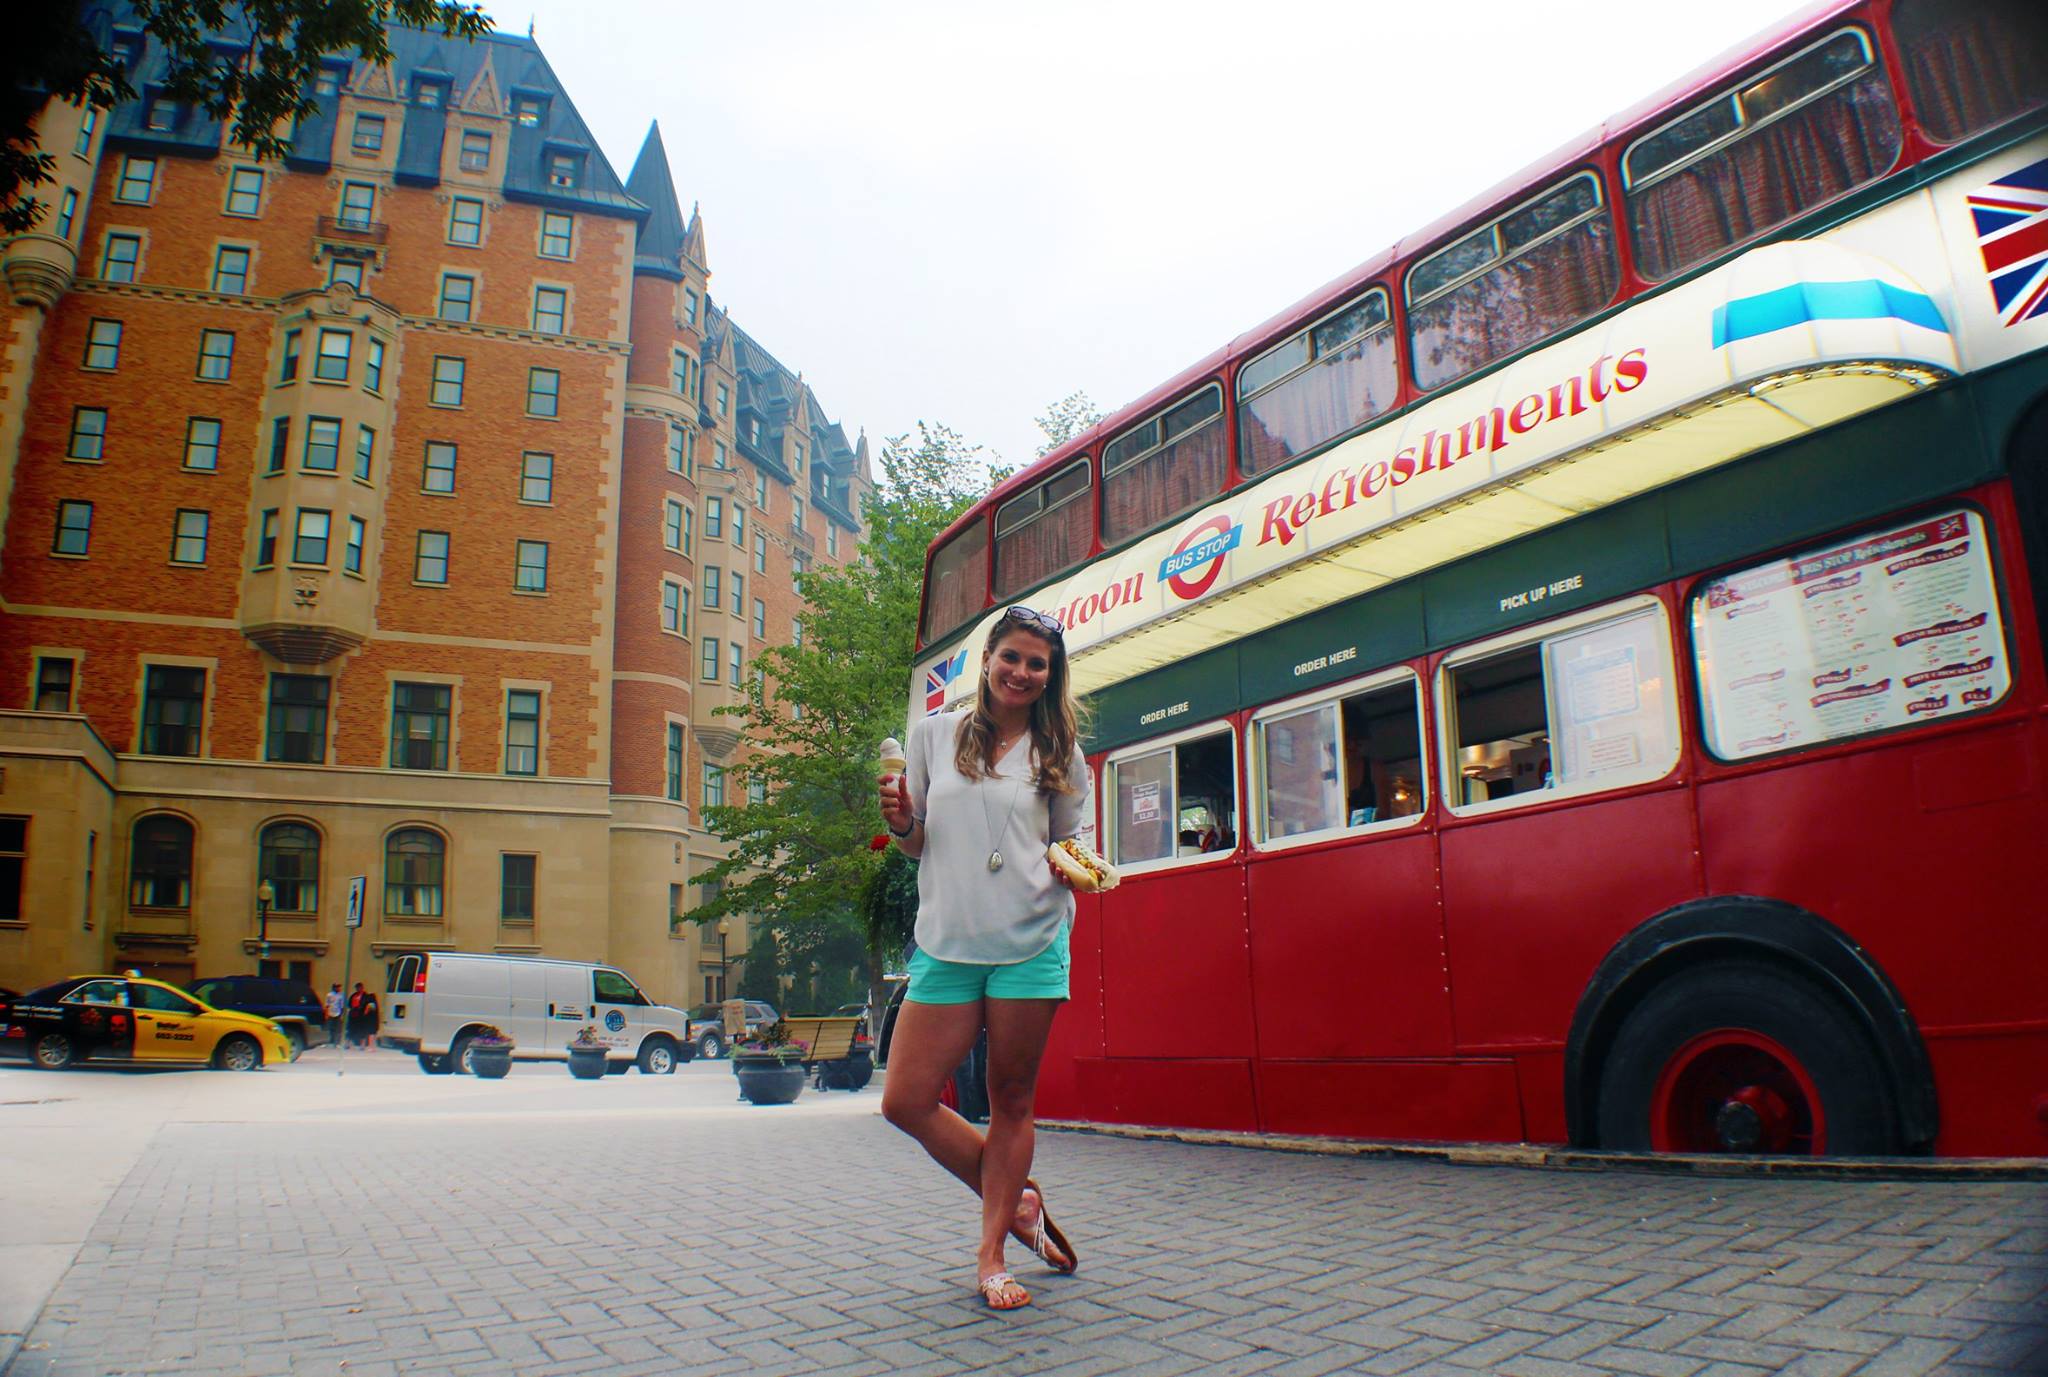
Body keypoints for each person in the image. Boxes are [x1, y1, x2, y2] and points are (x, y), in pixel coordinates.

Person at [879, 604, 1088, 1312]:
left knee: (1012, 1099)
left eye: (1038, 663)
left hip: (1031, 939)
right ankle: (1015, 1200)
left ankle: (993, 1250)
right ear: (988, 659)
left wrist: (1072, 866)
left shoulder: (1060, 752)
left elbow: (1068, 841)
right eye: (1013, 657)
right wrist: (901, 821)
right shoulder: (933, 736)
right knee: (905, 1099)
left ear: (1049, 675)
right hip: (947, 938)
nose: (1023, 672)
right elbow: (915, 841)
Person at [346, 982, 368, 1048]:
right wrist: (352, 1009)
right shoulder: (353, 995)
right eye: (357, 988)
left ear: (362, 988)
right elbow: (349, 1004)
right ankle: (347, 1043)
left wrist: (360, 1009)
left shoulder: (365, 996)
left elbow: (365, 1004)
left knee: (362, 1030)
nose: (358, 989)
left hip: (361, 1015)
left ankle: (362, 1044)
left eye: (360, 988)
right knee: (350, 1029)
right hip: (353, 1015)